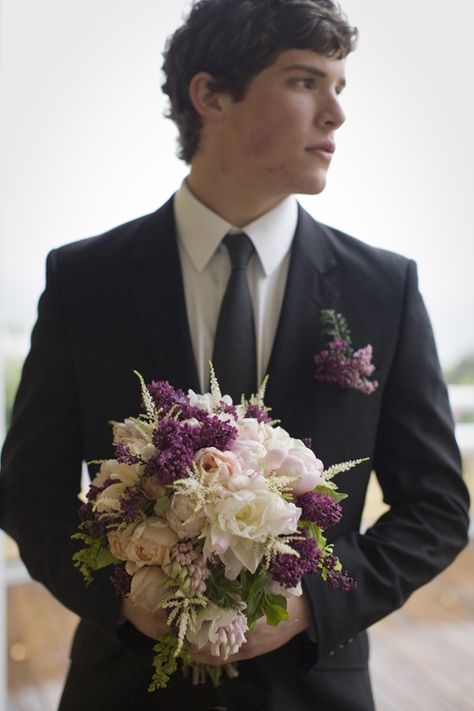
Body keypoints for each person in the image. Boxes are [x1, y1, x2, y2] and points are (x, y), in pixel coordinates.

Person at [0, 1, 470, 709]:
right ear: (211, 94)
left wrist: (315, 604)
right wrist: (126, 601)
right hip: (125, 686)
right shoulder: (84, 280)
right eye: (307, 82)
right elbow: (29, 490)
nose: (336, 115)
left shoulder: (384, 287)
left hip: (317, 691)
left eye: (340, 89)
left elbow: (436, 506)